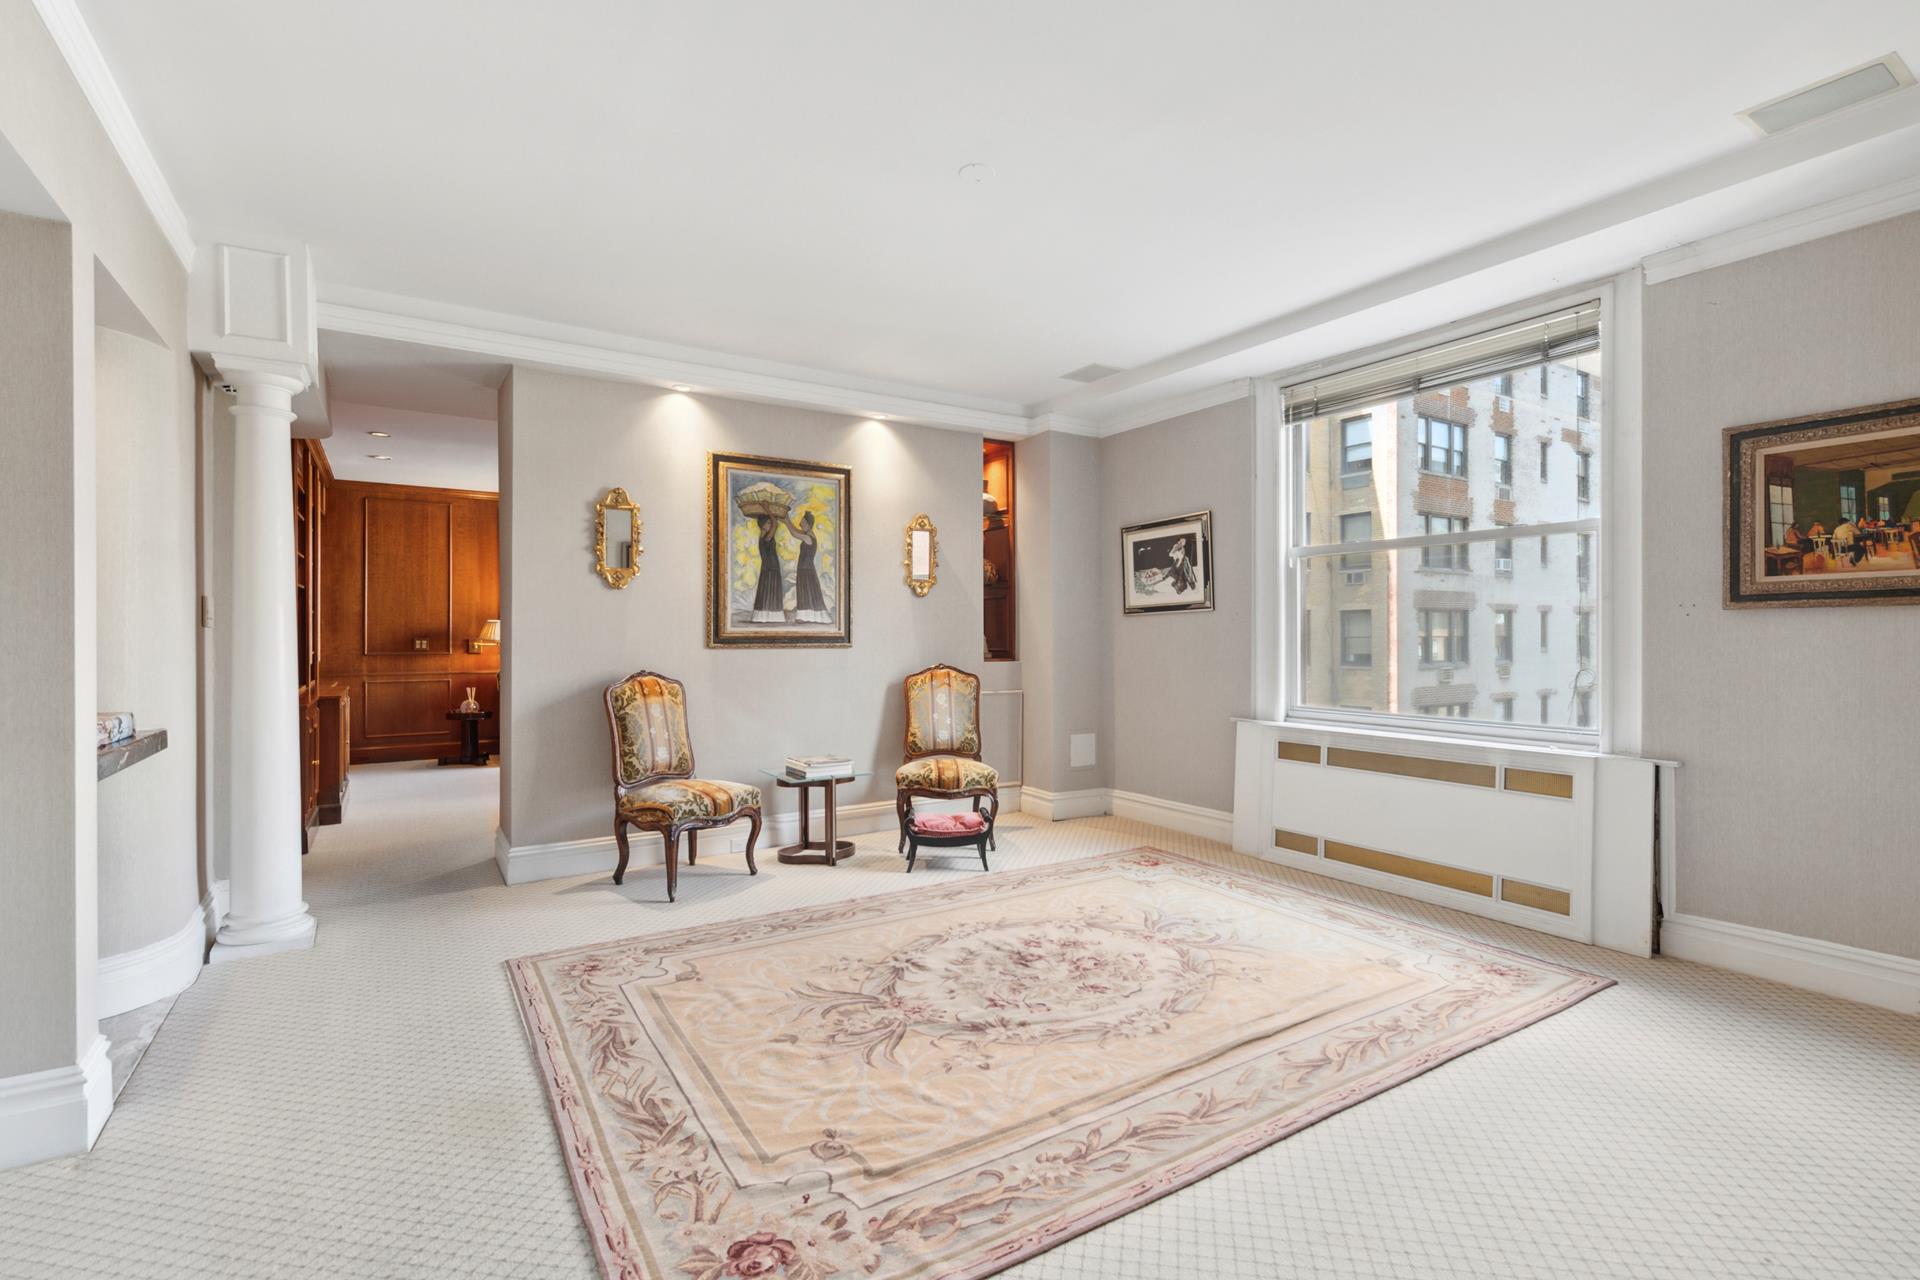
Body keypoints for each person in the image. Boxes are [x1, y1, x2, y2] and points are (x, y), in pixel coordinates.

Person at [784, 510, 832, 624]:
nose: (800, 525)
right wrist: (786, 520)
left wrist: (786, 521)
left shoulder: (808, 537)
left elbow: (794, 533)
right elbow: (796, 530)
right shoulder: (809, 534)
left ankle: (808, 616)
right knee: (806, 592)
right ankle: (805, 616)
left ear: (808, 524)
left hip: (806, 569)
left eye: (803, 523)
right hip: (805, 569)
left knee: (806, 591)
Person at [749, 513, 786, 622]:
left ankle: (764, 615)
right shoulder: (767, 537)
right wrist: (767, 509)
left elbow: (775, 524)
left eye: (770, 523)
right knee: (771, 590)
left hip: (767, 567)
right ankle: (773, 616)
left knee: (766, 590)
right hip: (771, 567)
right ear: (763, 525)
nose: (770, 525)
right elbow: (776, 524)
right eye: (768, 523)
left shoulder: (764, 536)